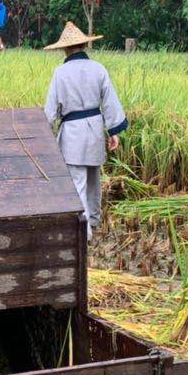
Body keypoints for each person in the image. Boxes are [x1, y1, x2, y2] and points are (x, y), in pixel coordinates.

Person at [43, 22, 128, 238]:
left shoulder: (60, 73)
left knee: (77, 182)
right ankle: (94, 221)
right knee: (93, 179)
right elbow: (109, 101)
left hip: (73, 132)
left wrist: (44, 134)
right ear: (84, 45)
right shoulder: (98, 69)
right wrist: (113, 131)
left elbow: (50, 110)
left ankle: (84, 233)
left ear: (65, 48)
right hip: (95, 129)